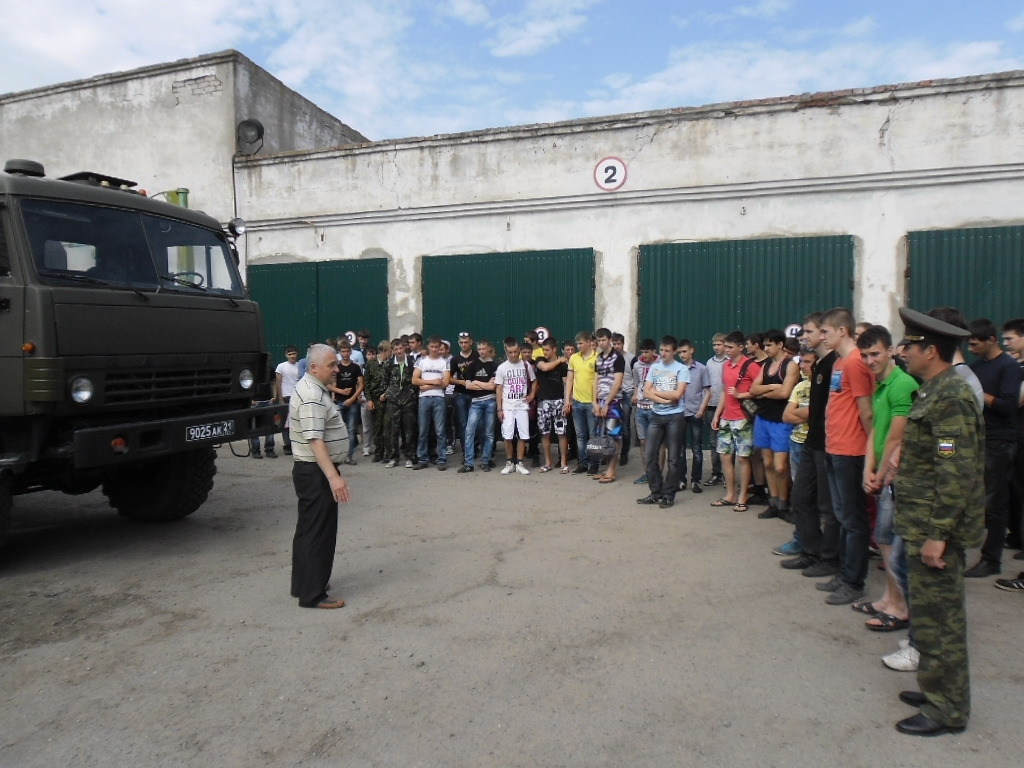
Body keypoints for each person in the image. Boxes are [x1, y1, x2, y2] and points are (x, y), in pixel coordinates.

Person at [891, 307, 984, 736]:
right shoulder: (932, 390)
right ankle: (934, 689)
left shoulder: (951, 397)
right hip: (918, 521)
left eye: (910, 345)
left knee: (941, 621)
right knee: (926, 616)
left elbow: (956, 472)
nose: (903, 351)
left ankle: (947, 709)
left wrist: (939, 536)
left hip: (934, 529)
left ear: (931, 350)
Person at [858, 325, 918, 631]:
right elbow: (875, 435)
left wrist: (879, 476)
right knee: (883, 540)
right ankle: (888, 599)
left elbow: (897, 437)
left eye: (875, 354)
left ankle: (900, 605)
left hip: (896, 478)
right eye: (865, 355)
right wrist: (869, 469)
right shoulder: (879, 386)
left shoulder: (902, 384)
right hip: (881, 474)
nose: (870, 361)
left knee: (892, 545)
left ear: (891, 351)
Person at [817, 307, 874, 606]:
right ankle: (843, 572)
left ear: (842, 331)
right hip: (834, 446)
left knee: (853, 519)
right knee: (841, 515)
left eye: (825, 331)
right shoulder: (839, 362)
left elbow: (866, 411)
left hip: (851, 451)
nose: (822, 336)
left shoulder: (855, 363)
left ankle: (854, 581)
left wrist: (872, 452)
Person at [289, 344, 350, 610]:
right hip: (316, 472)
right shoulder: (312, 394)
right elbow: (315, 440)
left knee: (308, 530)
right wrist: (334, 478)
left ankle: (305, 584)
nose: (336, 369)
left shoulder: (311, 387)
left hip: (311, 471)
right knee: (319, 533)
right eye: (331, 365)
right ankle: (313, 594)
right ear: (314, 367)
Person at [964, 318, 1022, 577]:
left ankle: (992, 559)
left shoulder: (1008, 367)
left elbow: (1008, 405)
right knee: (977, 499)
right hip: (978, 440)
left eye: (975, 344)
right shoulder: (976, 367)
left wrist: (978, 392)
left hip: (999, 442)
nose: (971, 348)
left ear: (991, 341)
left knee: (995, 502)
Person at [748, 329, 799, 519]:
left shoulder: (790, 365)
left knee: (780, 466)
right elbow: (753, 389)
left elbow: (785, 393)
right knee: (768, 463)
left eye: (770, 345)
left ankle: (784, 505)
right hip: (764, 418)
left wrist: (763, 393)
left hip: (781, 419)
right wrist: (770, 387)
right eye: (765, 345)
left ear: (780, 345)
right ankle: (774, 503)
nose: (766, 348)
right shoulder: (766, 365)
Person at [709, 331, 761, 511]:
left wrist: (742, 394)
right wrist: (717, 414)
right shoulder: (726, 366)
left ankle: (742, 495)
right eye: (725, 346)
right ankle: (730, 494)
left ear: (741, 347)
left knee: (743, 458)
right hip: (726, 417)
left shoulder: (751, 366)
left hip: (743, 418)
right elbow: (724, 391)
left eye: (730, 347)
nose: (727, 350)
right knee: (725, 456)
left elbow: (760, 390)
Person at [637, 336, 689, 508]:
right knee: (650, 454)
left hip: (675, 417)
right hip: (656, 415)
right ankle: (655, 492)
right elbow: (645, 392)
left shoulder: (681, 369)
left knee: (673, 459)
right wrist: (665, 400)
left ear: (674, 351)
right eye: (661, 350)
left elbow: (677, 394)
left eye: (667, 351)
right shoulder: (655, 367)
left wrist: (656, 393)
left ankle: (669, 494)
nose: (663, 354)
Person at [496, 337, 537, 475]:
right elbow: (499, 389)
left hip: (522, 406)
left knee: (523, 435)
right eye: (510, 352)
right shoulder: (502, 368)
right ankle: (509, 462)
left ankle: (520, 462)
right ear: (506, 352)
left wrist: (531, 395)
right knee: (507, 435)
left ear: (519, 350)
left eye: (515, 352)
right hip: (508, 406)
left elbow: (534, 381)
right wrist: (499, 408)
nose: (513, 355)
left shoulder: (525, 365)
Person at [676, 339, 711, 494]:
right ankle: (681, 479)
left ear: (692, 350)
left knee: (697, 448)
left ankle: (696, 480)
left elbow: (708, 392)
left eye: (684, 351)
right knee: (680, 449)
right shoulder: (676, 369)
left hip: (695, 412)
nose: (682, 355)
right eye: (679, 352)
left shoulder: (702, 369)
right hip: (679, 412)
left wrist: (701, 410)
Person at [459, 339, 499, 472]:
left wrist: (477, 382)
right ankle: (469, 463)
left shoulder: (494, 366)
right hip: (475, 402)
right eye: (479, 349)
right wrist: (484, 384)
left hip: (490, 402)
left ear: (489, 349)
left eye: (484, 349)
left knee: (488, 433)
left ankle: (485, 460)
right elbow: (468, 385)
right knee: (469, 431)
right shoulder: (472, 365)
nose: (482, 351)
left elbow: (493, 386)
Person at [412, 335, 451, 471]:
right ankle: (422, 459)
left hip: (439, 398)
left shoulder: (444, 362)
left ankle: (441, 459)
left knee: (440, 431)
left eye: (437, 347)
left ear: (440, 348)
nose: (434, 349)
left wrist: (426, 386)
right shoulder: (422, 361)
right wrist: (433, 382)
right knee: (423, 430)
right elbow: (414, 380)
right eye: (432, 347)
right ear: (428, 347)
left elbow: (445, 382)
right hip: (424, 399)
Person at [592, 328, 626, 483]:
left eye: (603, 340)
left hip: (613, 403)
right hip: (600, 402)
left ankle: (612, 471)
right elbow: (595, 380)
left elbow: (617, 383)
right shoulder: (598, 358)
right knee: (603, 437)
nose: (600, 343)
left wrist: (606, 403)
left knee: (614, 436)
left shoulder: (618, 358)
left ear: (610, 339)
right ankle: (606, 469)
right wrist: (594, 401)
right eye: (598, 341)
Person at [565, 331, 599, 474]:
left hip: (591, 402)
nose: (578, 346)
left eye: (581, 343)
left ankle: (594, 463)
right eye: (577, 343)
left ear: (588, 342)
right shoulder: (574, 358)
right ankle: (583, 462)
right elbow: (569, 379)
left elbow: (598, 381)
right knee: (580, 435)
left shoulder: (597, 358)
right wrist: (568, 399)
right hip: (577, 402)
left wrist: (595, 402)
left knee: (592, 435)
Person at [535, 338, 570, 473]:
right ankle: (547, 462)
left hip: (559, 401)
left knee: (562, 433)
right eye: (543, 350)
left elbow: (566, 383)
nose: (545, 352)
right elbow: (545, 367)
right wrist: (560, 360)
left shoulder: (563, 366)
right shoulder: (539, 360)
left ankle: (563, 463)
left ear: (554, 349)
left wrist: (567, 401)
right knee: (545, 433)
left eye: (547, 350)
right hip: (544, 402)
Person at [381, 338, 418, 468]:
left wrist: (412, 394)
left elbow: (417, 380)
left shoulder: (412, 362)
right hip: (393, 403)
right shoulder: (389, 364)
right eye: (396, 349)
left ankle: (409, 457)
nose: (399, 351)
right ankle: (393, 457)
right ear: (393, 350)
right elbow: (384, 381)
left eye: (400, 348)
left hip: (408, 402)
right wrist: (387, 393)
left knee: (409, 431)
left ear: (404, 348)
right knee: (393, 431)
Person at [330, 339, 364, 465]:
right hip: (339, 401)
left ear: (350, 352)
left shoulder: (355, 367)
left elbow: (361, 385)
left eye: (347, 351)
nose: (345, 354)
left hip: (352, 402)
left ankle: (349, 456)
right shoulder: (336, 367)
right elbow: (329, 384)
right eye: (343, 351)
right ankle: (338, 455)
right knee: (339, 429)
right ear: (340, 352)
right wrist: (340, 391)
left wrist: (352, 398)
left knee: (350, 429)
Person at [631, 339, 659, 485]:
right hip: (641, 408)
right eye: (642, 352)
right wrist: (635, 394)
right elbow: (637, 382)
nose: (644, 355)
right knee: (643, 442)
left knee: (658, 443)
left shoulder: (660, 364)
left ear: (654, 351)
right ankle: (647, 473)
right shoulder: (637, 365)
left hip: (655, 407)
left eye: (647, 352)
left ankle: (658, 473)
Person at [450, 331, 479, 456]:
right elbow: (449, 378)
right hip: (460, 394)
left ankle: (475, 448)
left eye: (466, 342)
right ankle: (466, 451)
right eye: (461, 342)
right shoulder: (455, 359)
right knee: (463, 424)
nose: (464, 345)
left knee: (476, 423)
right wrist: (461, 382)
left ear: (471, 342)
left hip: (476, 394)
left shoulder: (478, 356)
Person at [705, 334, 728, 485]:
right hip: (711, 405)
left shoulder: (729, 362)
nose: (716, 347)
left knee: (726, 442)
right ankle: (716, 473)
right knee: (713, 442)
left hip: (726, 406)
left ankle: (728, 474)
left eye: (719, 344)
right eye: (715, 345)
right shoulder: (709, 363)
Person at [364, 341, 391, 462]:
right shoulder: (371, 364)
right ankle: (378, 452)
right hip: (375, 400)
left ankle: (388, 453)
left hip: (388, 400)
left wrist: (387, 393)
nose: (392, 353)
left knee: (388, 427)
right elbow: (366, 383)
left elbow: (394, 382)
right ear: (385, 351)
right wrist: (369, 400)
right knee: (377, 427)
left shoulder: (391, 364)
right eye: (390, 350)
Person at [275, 345, 302, 455]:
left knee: (297, 422)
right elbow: (278, 383)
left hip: (298, 397)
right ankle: (287, 445)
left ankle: (297, 445)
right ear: (286, 355)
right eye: (290, 354)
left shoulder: (300, 365)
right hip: (286, 397)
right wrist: (280, 398)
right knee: (286, 423)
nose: (292, 356)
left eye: (294, 354)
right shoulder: (281, 366)